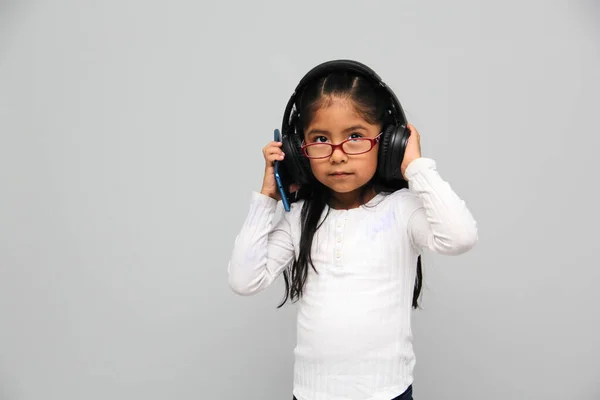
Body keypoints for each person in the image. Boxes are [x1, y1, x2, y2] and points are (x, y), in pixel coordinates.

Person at [227, 60, 478, 400]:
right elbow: (244, 280)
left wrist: (416, 166)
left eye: (355, 136)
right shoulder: (299, 220)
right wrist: (268, 196)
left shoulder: (402, 210)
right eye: (320, 139)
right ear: (298, 152)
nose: (338, 155)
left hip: (387, 393)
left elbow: (460, 238)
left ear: (389, 142)